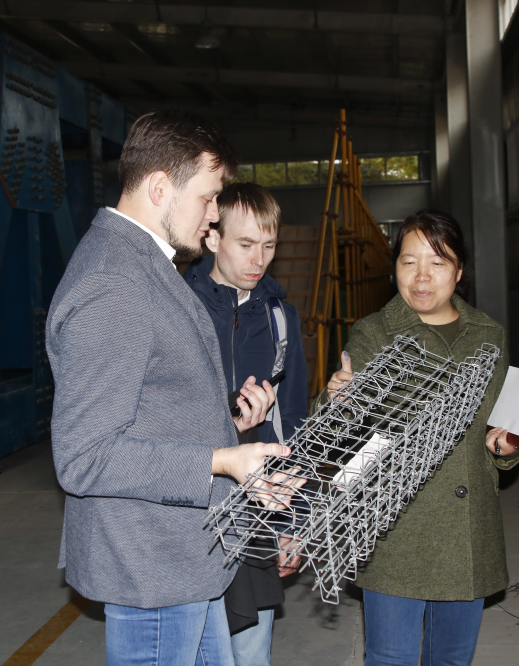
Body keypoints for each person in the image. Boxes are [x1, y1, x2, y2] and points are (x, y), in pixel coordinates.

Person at [46, 110, 299, 666]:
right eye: (208, 198)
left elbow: (157, 404)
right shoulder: (115, 282)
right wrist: (221, 461)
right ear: (160, 187)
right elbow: (85, 457)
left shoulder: (147, 264)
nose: (213, 215)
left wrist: (233, 439)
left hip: (186, 555)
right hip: (152, 564)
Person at [319, 210, 519, 666]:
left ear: (459, 271)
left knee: (451, 660)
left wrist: (506, 447)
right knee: (390, 658)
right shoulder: (375, 333)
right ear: (395, 269)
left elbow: (499, 433)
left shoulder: (489, 336)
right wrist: (337, 399)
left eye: (437, 262)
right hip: (396, 527)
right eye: (409, 262)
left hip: (466, 529)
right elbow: (336, 432)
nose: (422, 276)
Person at [183, 183, 309, 665]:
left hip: (258, 505)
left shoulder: (281, 321)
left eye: (269, 245)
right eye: (246, 244)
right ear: (212, 237)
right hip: (190, 506)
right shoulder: (179, 309)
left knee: (250, 648)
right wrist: (232, 424)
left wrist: (293, 522)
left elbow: (292, 424)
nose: (259, 260)